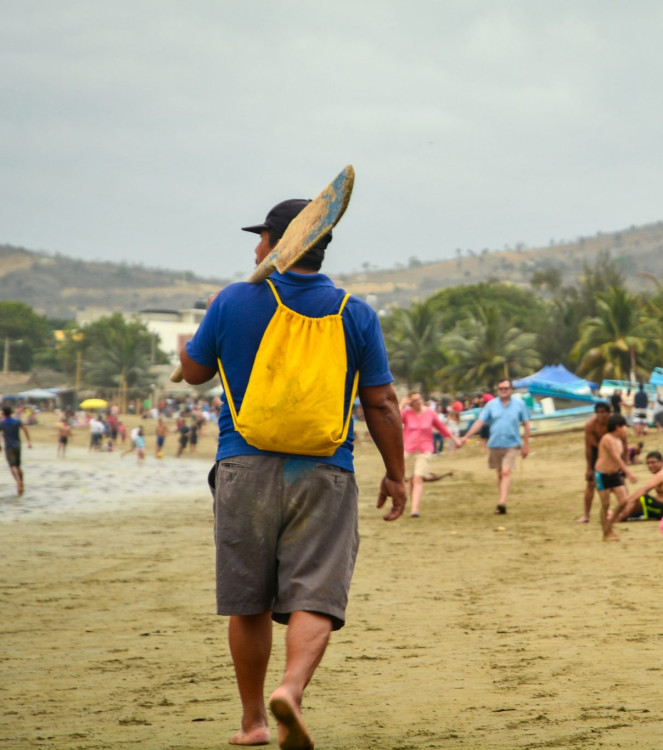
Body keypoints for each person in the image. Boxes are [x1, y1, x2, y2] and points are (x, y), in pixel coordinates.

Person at [179, 196, 406, 749]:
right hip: (325, 471)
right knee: (316, 594)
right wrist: (396, 474)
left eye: (261, 237)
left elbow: (193, 373)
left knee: (248, 600)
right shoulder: (356, 311)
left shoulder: (233, 300)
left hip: (243, 465)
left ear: (280, 243)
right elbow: (381, 403)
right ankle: (292, 689)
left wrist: (206, 321)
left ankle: (254, 721)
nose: (255, 246)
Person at [463, 378, 531, 515]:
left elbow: (526, 424)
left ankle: (502, 502)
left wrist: (526, 444)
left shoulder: (519, 404)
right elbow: (480, 422)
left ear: (510, 390)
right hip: (495, 443)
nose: (503, 391)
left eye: (506, 388)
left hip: (512, 443)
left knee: (506, 471)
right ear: (497, 390)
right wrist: (466, 436)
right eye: (501, 388)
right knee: (500, 474)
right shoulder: (491, 405)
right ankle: (501, 500)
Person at [400, 392, 462, 517]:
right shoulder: (406, 413)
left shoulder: (430, 412)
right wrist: (401, 404)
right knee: (411, 479)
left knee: (418, 478)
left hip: (425, 450)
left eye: (419, 399)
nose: (418, 402)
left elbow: (441, 427)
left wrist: (454, 439)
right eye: (415, 401)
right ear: (410, 403)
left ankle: (415, 509)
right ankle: (413, 504)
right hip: (409, 450)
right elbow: (393, 418)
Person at [594, 414, 637, 541]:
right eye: (624, 426)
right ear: (617, 427)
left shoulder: (619, 441)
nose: (626, 429)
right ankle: (606, 533)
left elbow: (620, 459)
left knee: (624, 501)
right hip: (602, 474)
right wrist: (629, 473)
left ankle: (609, 525)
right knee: (605, 504)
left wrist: (623, 473)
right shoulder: (607, 439)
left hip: (614, 474)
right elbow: (615, 458)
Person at [617, 450, 663, 522]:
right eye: (648, 463)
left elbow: (645, 490)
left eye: (653, 462)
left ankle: (621, 516)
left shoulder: (662, 473)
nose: (650, 465)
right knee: (638, 506)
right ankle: (619, 514)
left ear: (662, 462)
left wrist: (630, 500)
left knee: (643, 498)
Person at [577, 402, 611, 523]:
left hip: (611, 451)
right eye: (598, 412)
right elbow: (589, 447)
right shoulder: (590, 425)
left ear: (609, 413)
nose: (600, 415)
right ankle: (586, 515)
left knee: (617, 483)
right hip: (596, 450)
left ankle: (612, 512)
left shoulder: (613, 422)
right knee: (591, 483)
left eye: (603, 412)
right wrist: (589, 468)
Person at [2, 405, 31, 496]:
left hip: (9, 447)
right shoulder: (17, 420)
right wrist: (28, 441)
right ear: (11, 412)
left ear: (3, 413)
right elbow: (24, 429)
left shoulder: (2, 423)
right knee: (18, 466)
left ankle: (18, 482)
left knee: (12, 466)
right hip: (18, 446)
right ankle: (21, 482)